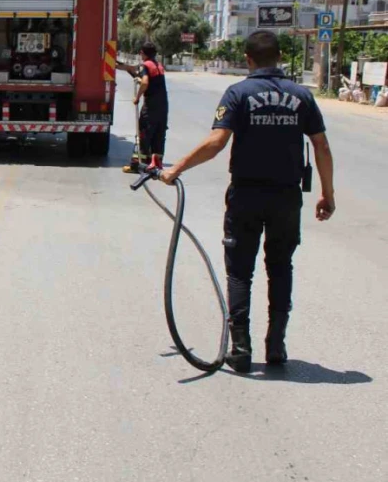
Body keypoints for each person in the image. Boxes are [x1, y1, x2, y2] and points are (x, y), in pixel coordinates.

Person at [159, 30, 336, 373]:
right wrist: (328, 192)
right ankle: (276, 345)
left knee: (240, 272)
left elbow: (216, 141)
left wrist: (175, 169)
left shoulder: (239, 93)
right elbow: (321, 146)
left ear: (248, 59)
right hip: (286, 196)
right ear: (280, 57)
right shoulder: (302, 96)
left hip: (246, 195)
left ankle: (240, 349)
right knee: (280, 267)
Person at [127, 42, 169, 171]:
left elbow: (145, 83)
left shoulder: (145, 65)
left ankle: (139, 165)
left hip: (150, 106)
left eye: (141, 52)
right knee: (159, 134)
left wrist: (137, 97)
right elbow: (152, 82)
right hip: (163, 106)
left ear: (143, 53)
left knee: (144, 134)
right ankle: (156, 164)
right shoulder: (159, 66)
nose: (140, 54)